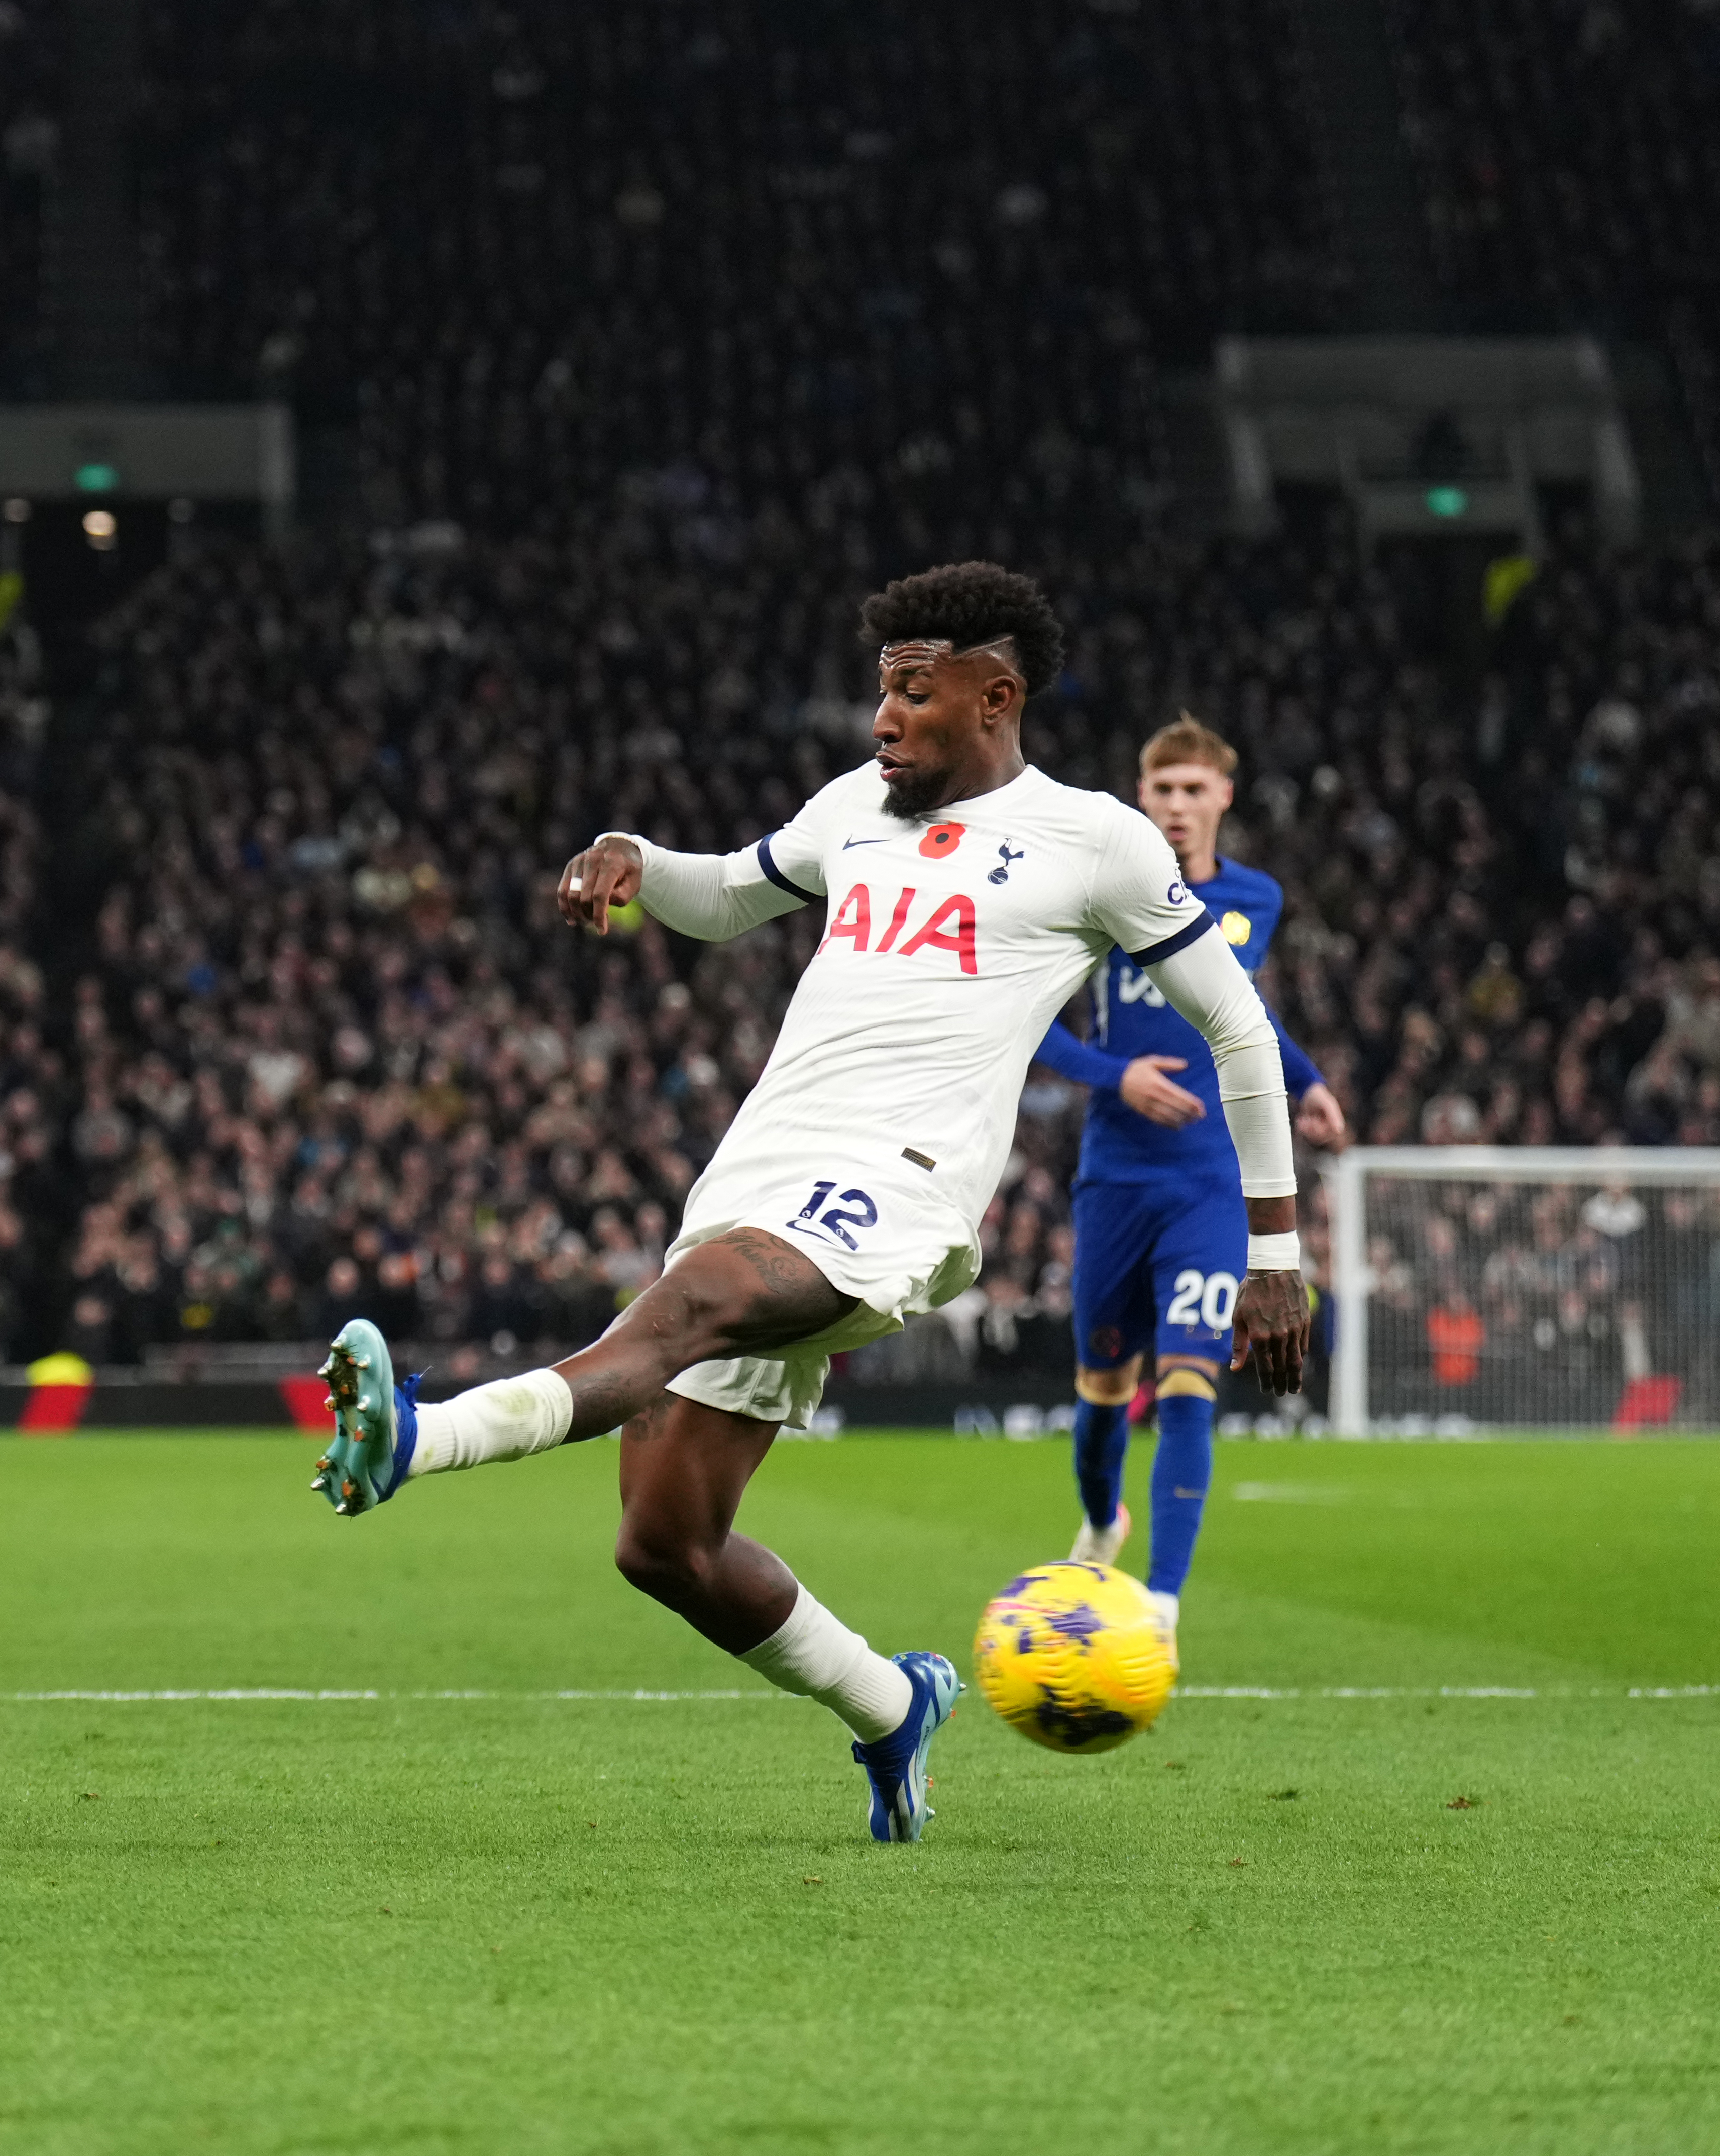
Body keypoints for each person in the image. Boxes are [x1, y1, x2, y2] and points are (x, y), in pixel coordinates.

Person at [312, 563, 1311, 1844]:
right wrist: (637, 856)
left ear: (995, 695)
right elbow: (728, 896)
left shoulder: (1095, 839)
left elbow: (1238, 1029)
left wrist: (1274, 1248)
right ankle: (893, 1705)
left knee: (701, 1300)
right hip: (762, 1162)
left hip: (904, 1185)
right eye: (880, 690)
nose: (882, 718)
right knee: (664, 1545)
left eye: (911, 691)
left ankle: (420, 1435)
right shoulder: (854, 806)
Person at [1029, 717, 1344, 1641]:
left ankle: (1161, 1602)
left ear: (1222, 798)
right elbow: (1037, 1024)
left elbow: (1242, 1009)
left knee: (1187, 1385)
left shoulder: (1256, 899)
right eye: (1161, 790)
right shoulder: (1094, 898)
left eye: (1192, 790)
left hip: (1212, 1181)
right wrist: (1113, 1076)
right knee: (1098, 1393)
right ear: (1141, 795)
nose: (1175, 807)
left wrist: (1307, 1079)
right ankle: (1100, 1522)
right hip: (1115, 1176)